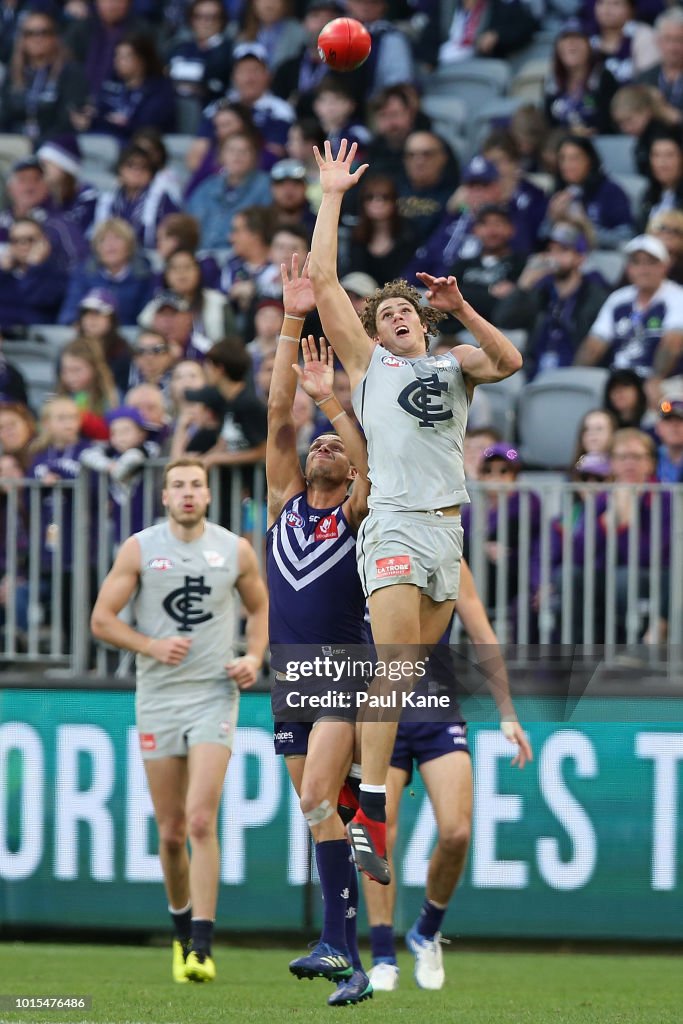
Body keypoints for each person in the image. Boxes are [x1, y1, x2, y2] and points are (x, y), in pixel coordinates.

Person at [308, 139, 523, 883]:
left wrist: (462, 306)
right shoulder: (370, 368)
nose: (395, 315)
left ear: (423, 324)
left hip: (445, 529)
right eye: (385, 312)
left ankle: (356, 795)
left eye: (405, 309)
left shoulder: (451, 362)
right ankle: (367, 804)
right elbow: (323, 279)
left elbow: (509, 363)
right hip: (395, 520)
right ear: (374, 332)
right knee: (394, 661)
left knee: (403, 674)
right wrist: (332, 193)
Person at [90, 457, 268, 983]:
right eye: (178, 486)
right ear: (165, 497)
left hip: (214, 693)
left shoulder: (233, 549)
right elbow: (101, 619)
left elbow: (260, 610)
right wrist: (150, 644)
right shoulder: (141, 548)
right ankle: (182, 932)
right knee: (170, 833)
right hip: (159, 697)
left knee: (198, 820)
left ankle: (204, 948)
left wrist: (254, 658)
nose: (187, 493)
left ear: (208, 496)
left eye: (196, 485)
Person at [266, 254, 373, 1005]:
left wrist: (334, 404)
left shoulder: (354, 511)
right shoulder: (283, 501)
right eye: (318, 444)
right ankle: (346, 950)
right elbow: (277, 417)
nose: (323, 446)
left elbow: (369, 463)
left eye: (332, 444)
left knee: (316, 793)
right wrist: (291, 320)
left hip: (344, 665)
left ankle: (342, 943)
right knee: (314, 808)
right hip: (287, 672)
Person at [363, 560, 532, 992]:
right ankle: (382, 954)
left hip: (437, 710)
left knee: (457, 832)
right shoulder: (363, 543)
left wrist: (507, 713)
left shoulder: (448, 555)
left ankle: (426, 929)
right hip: (380, 713)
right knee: (379, 833)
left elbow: (481, 632)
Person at [495, 218, 610, 379]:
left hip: (574, 375)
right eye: (551, 250)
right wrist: (523, 285)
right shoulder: (541, 291)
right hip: (535, 374)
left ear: (580, 258)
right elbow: (503, 320)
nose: (553, 257)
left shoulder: (594, 295)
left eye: (562, 250)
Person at [576, 234, 683, 396]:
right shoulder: (618, 299)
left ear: (665, 266)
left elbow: (672, 344)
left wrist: (655, 380)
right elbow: (593, 346)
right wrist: (575, 374)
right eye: (636, 262)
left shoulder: (677, 296)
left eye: (651, 262)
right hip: (620, 382)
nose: (643, 269)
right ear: (628, 268)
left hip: (664, 381)